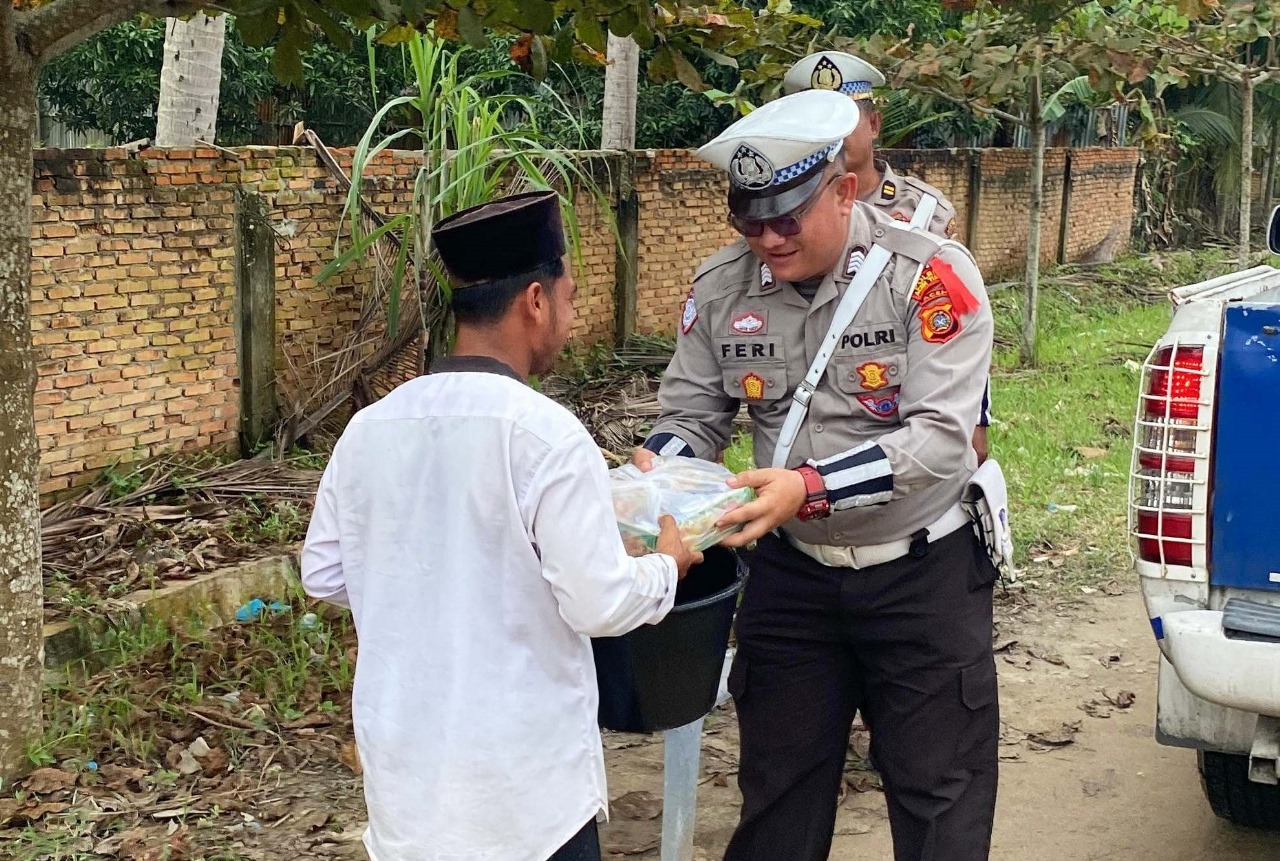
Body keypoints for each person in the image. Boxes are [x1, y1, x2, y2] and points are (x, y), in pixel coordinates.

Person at [635, 89, 999, 861]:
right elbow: (693, 414)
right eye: (747, 217)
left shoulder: (930, 278)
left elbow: (942, 443)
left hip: (921, 574)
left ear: (841, 191)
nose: (765, 237)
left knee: (942, 805)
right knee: (777, 799)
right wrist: (658, 470)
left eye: (786, 217)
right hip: (794, 582)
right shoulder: (720, 287)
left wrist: (809, 486)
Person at [301, 190, 702, 861]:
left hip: (411, 790)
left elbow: (325, 572)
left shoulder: (371, 429)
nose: (571, 321)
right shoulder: (544, 435)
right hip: (526, 802)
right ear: (536, 300)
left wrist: (428, 583)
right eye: (570, 299)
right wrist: (666, 563)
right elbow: (598, 599)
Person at [784, 50, 993, 462]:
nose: (829, 134)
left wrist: (976, 420)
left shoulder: (924, 212)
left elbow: (959, 316)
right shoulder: (785, 216)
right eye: (815, 121)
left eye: (842, 119)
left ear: (874, 123)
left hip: (912, 379)